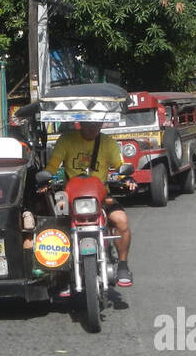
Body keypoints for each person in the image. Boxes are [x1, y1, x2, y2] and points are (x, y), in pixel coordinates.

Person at [45, 120, 133, 288]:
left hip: (100, 197)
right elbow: (53, 165)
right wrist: (45, 177)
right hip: (70, 197)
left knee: (121, 220)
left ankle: (123, 265)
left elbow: (120, 166)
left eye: (97, 124)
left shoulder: (108, 143)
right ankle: (60, 271)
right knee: (55, 227)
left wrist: (126, 178)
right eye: (89, 124)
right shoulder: (66, 140)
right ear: (81, 123)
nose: (93, 127)